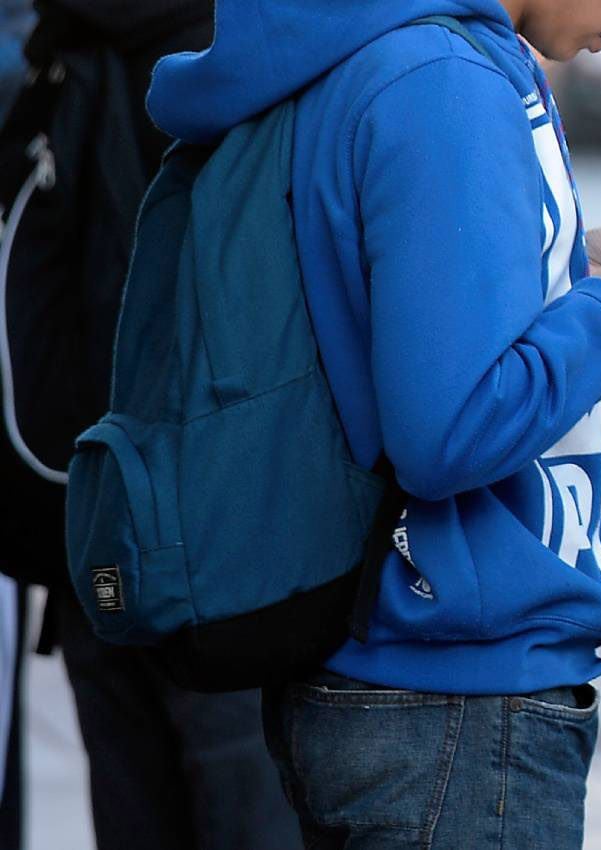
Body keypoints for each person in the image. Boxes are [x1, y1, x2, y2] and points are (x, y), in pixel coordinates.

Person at [144, 1, 601, 848]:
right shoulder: (445, 79)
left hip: (386, 672)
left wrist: (569, 263)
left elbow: (379, 312)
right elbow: (450, 431)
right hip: (455, 699)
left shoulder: (385, 48)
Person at [0, 2, 306, 848]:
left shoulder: (63, 47)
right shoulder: (235, 44)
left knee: (138, 808)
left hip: (90, 519)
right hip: (219, 550)